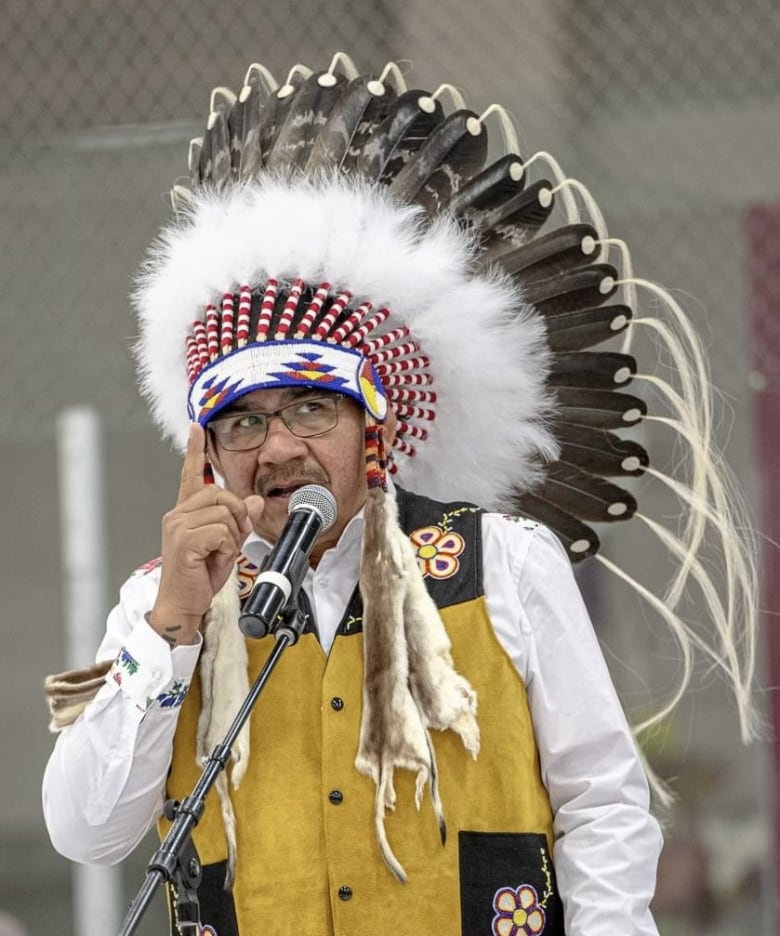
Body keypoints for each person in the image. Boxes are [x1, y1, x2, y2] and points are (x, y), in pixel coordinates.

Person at [42, 53, 758, 936]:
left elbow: (602, 807)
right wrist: (172, 629)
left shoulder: (505, 561)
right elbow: (85, 832)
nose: (278, 447)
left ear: (372, 429)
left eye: (310, 408)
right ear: (209, 455)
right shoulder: (162, 605)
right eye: (243, 424)